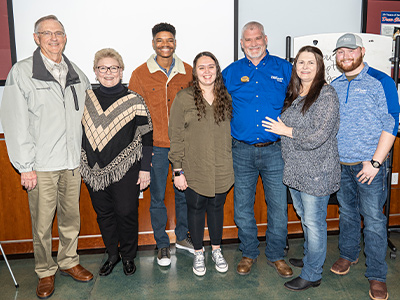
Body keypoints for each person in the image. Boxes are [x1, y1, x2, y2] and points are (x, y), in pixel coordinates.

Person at [0, 15, 93, 299]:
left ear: (65, 38)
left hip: (71, 163)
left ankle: (68, 261)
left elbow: (88, 114)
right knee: (42, 223)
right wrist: (25, 167)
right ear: (36, 37)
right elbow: (15, 123)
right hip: (40, 166)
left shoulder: (76, 72)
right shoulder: (22, 72)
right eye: (47, 33)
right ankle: (45, 271)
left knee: (70, 218)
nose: (54, 38)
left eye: (59, 33)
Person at [262, 46, 340, 291]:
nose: (305, 67)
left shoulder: (326, 94)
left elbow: (320, 135)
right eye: (301, 62)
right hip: (295, 170)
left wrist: (287, 131)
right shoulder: (295, 92)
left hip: (317, 172)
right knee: (306, 219)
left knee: (315, 224)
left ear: (319, 67)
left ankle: (312, 273)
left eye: (310, 63)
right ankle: (309, 258)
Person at [330, 33, 400, 300]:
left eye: (350, 51)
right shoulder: (335, 85)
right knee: (347, 213)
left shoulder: (381, 82)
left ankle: (377, 275)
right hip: (341, 165)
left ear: (361, 51)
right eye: (340, 53)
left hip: (369, 167)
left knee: (373, 220)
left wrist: (375, 162)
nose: (345, 57)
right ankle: (348, 255)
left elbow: (391, 121)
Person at [222, 21, 293, 277]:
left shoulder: (285, 69)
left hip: (276, 150)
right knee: (242, 206)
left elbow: (300, 101)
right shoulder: (230, 72)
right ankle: (249, 252)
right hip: (241, 151)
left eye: (257, 38)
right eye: (248, 40)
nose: (253, 44)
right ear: (242, 44)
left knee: (277, 206)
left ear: (265, 39)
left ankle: (276, 255)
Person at [80, 48, 153, 277]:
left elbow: (147, 135)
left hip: (126, 169)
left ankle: (129, 257)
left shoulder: (134, 100)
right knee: (104, 214)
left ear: (121, 71)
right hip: (93, 168)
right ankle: (113, 254)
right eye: (103, 68)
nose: (108, 72)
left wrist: (144, 170)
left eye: (113, 68)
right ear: (95, 71)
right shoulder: (85, 98)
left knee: (126, 212)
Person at [128, 22, 194, 266]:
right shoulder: (139, 74)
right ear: (153, 43)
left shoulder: (188, 71)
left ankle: (182, 237)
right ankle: (162, 244)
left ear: (175, 42)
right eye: (160, 40)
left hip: (183, 146)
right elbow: (134, 116)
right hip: (154, 146)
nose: (165, 44)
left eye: (169, 40)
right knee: (156, 197)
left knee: (183, 194)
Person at [168, 52, 234, 276]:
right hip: (193, 167)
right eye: (202, 68)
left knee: (216, 209)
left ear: (217, 69)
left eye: (211, 67)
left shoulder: (226, 96)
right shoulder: (183, 98)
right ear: (194, 72)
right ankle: (198, 252)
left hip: (222, 166)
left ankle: (216, 250)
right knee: (195, 210)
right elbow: (175, 136)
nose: (207, 72)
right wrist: (178, 170)